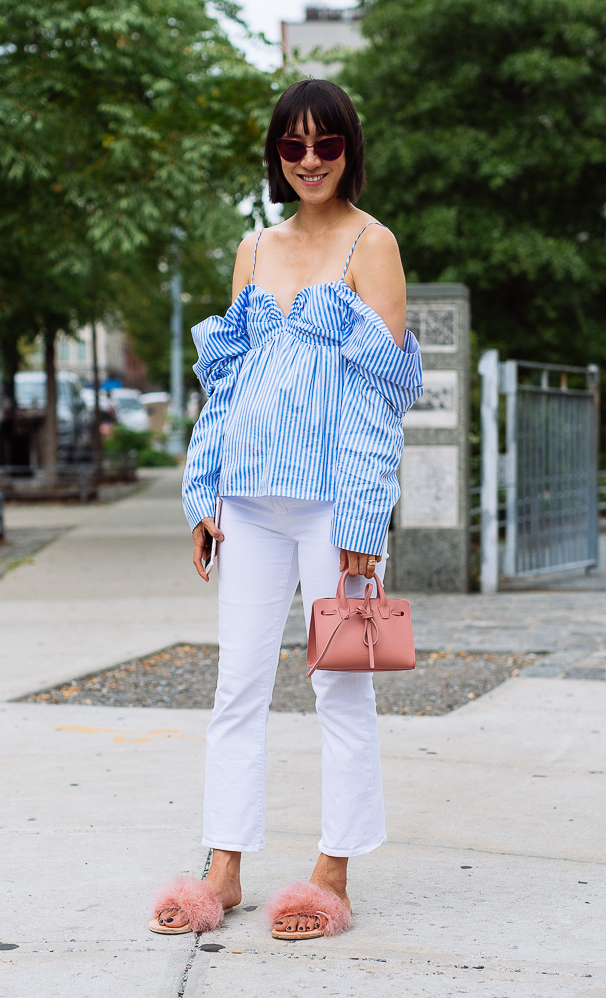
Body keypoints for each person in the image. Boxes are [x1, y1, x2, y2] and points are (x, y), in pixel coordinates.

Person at [150, 79, 423, 942]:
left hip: (332, 508)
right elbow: (225, 387)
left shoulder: (371, 247)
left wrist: (363, 523)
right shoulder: (253, 248)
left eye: (326, 145)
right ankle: (223, 868)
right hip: (249, 502)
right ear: (276, 155)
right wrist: (203, 494)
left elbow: (382, 399)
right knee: (236, 687)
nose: (309, 161)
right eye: (292, 146)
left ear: (349, 150)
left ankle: (330, 875)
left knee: (339, 687)